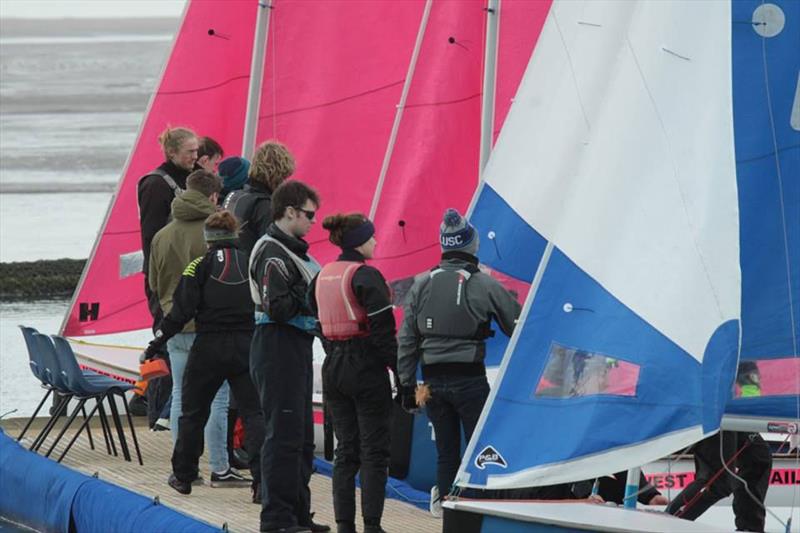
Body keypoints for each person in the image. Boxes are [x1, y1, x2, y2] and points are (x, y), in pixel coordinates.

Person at [397, 208, 521, 517]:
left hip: (432, 384)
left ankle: (447, 516)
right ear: (471, 245)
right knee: (480, 453)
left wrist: (406, 386)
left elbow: (407, 339)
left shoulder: (421, 284)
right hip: (471, 381)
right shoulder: (485, 284)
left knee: (446, 454)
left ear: (444, 245)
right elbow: (518, 328)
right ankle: (478, 516)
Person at [142, 210, 266, 498]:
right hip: (247, 346)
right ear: (234, 236)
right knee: (254, 415)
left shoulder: (198, 266)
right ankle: (262, 483)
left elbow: (179, 313)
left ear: (208, 240)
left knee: (193, 413)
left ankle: (183, 476)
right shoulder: (251, 263)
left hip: (208, 346)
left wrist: (156, 344)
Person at [149, 169, 245, 487]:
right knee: (217, 399)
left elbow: (152, 281)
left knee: (181, 397)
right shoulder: (215, 230)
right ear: (213, 196)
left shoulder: (162, 235)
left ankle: (183, 468)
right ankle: (220, 468)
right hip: (210, 327)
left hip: (174, 324)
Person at [308, 213, 397, 533]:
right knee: (374, 450)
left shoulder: (322, 276)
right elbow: (384, 333)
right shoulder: (366, 276)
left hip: (334, 367)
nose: (375, 241)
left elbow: (315, 318)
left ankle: (344, 525)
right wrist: (400, 373)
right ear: (359, 242)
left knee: (346, 450)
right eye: (371, 237)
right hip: (366, 367)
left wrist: (334, 351)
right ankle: (372, 525)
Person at [249, 180, 329, 533]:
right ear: (290, 212)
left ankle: (299, 515)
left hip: (295, 344)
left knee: (301, 438)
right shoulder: (271, 252)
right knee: (282, 436)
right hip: (275, 344)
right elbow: (277, 307)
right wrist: (309, 295)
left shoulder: (292, 251)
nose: (314, 221)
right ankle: (276, 519)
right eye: (309, 215)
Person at [137, 126, 199, 427]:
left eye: (197, 150)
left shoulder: (191, 177)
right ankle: (157, 415)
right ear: (172, 152)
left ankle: (175, 414)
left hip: (188, 276)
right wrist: (156, 287)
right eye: (190, 151)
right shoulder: (156, 185)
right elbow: (151, 239)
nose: (195, 156)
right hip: (163, 280)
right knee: (164, 343)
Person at [666, 362, 772, 532]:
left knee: (758, 458)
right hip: (709, 401)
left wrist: (752, 406)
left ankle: (749, 528)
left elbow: (747, 370)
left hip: (730, 406)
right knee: (718, 479)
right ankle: (666, 524)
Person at [224, 141, 295, 256]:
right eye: (284, 177)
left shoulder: (233, 196)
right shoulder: (265, 206)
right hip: (249, 269)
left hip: (228, 266)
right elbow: (271, 252)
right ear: (276, 175)